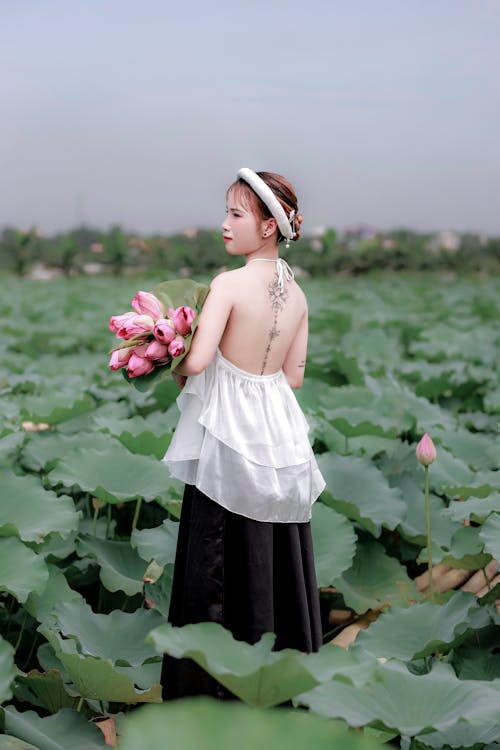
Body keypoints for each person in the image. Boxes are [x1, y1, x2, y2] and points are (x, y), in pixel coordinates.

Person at [160, 168, 326, 700]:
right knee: (275, 550)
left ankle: (207, 690)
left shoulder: (228, 285)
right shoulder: (297, 296)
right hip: (278, 429)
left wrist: (165, 356)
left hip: (230, 430)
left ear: (270, 227)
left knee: (217, 553)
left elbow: (200, 359)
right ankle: (277, 685)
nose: (224, 225)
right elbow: (294, 376)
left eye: (236, 215)